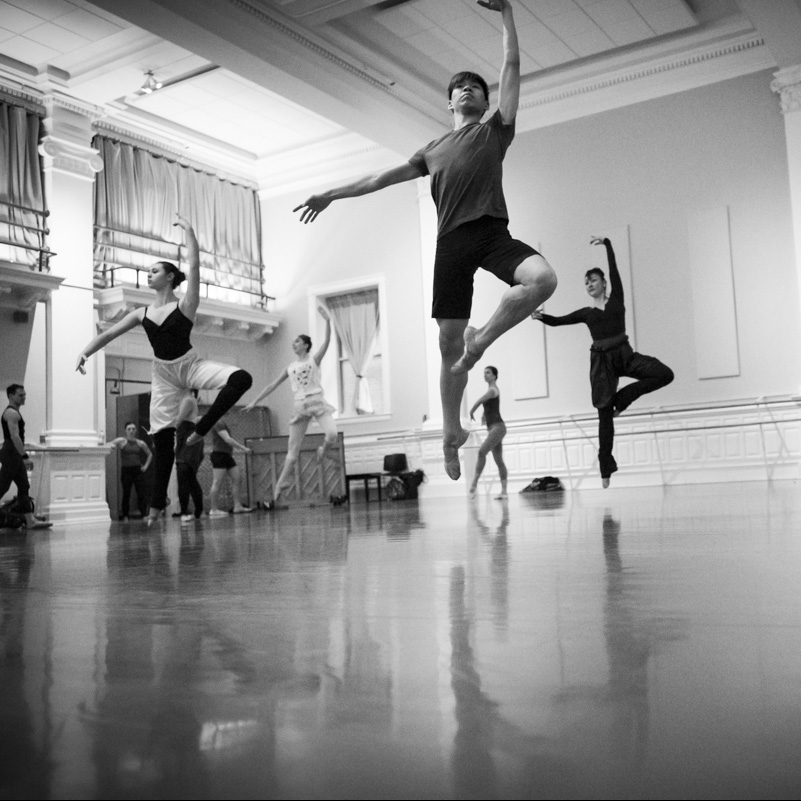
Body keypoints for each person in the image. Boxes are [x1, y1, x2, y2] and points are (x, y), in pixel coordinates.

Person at [293, 0, 557, 482]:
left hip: (493, 232)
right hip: (452, 242)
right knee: (445, 342)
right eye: (462, 88)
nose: (471, 90)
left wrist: (506, 13)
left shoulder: (496, 131)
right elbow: (378, 178)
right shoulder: (432, 150)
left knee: (542, 280)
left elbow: (512, 66)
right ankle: (451, 431)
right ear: (451, 102)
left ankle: (480, 344)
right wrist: (330, 193)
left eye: (478, 87)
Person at [76, 213, 253, 525]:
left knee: (241, 378)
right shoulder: (141, 313)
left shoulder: (185, 306)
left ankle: (201, 430)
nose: (149, 274)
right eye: (148, 271)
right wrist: (85, 353)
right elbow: (108, 334)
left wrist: (191, 234)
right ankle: (156, 505)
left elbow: (195, 268)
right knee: (162, 439)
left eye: (154, 270)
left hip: (190, 365)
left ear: (170, 277)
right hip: (162, 375)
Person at [532, 236, 674, 487]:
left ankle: (623, 399)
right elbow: (559, 321)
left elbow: (615, 270)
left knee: (664, 374)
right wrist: (540, 317)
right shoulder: (587, 314)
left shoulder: (616, 299)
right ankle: (605, 468)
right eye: (586, 282)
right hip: (601, 365)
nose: (589, 284)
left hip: (625, 355)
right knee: (604, 416)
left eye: (594, 280)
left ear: (604, 283)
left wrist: (607, 244)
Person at [245, 306, 339, 509]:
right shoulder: (290, 367)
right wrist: (255, 401)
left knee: (332, 434)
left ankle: (324, 449)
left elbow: (327, 342)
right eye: (294, 341)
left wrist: (328, 322)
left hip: (317, 401)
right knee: (292, 450)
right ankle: (281, 485)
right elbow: (272, 385)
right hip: (300, 406)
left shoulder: (314, 360)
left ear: (305, 345)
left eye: (297, 341)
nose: (294, 343)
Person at [0, 384, 51, 529]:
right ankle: (30, 521)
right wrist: (25, 456)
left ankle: (30, 521)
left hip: (13, 453)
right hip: (11, 453)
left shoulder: (15, 412)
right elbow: (15, 437)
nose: (24, 397)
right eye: (20, 395)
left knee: (24, 486)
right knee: (2, 486)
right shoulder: (11, 413)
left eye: (24, 394)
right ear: (11, 396)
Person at [467, 365, 508, 499]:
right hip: (495, 428)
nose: (485, 375)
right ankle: (504, 492)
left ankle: (473, 485)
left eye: (488, 373)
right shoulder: (492, 391)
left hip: (498, 428)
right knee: (499, 460)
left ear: (495, 376)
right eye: (484, 373)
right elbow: (490, 406)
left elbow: (480, 400)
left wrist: (472, 410)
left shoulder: (492, 390)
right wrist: (484, 415)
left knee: (481, 452)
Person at [106, 421, 152, 520]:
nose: (131, 431)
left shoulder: (140, 443)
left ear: (135, 431)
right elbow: (109, 444)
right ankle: (125, 515)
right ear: (125, 431)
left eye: (133, 429)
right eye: (129, 429)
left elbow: (150, 454)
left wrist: (145, 466)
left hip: (137, 471)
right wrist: (112, 446)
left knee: (141, 493)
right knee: (126, 493)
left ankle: (144, 514)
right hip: (126, 471)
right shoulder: (121, 441)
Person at [207, 418, 252, 517]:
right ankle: (213, 509)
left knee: (237, 478)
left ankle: (237, 506)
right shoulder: (218, 422)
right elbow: (227, 439)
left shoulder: (221, 422)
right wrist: (243, 448)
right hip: (219, 455)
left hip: (227, 455)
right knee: (217, 481)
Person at [175, 395, 205, 523]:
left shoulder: (188, 399)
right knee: (190, 477)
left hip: (190, 439)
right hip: (187, 438)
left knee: (184, 473)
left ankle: (184, 512)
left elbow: (178, 420)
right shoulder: (186, 400)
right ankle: (198, 511)